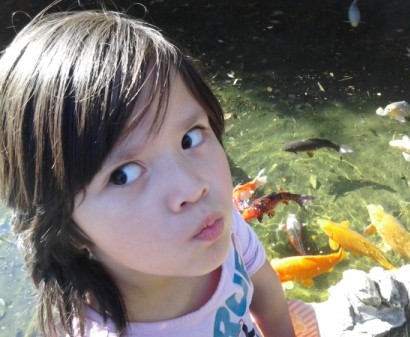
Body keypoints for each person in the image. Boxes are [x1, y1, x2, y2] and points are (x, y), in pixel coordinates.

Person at [0, 8, 320, 337]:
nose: (193, 188)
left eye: (190, 137)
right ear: (68, 229)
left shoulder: (222, 229)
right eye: (123, 174)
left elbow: (267, 294)